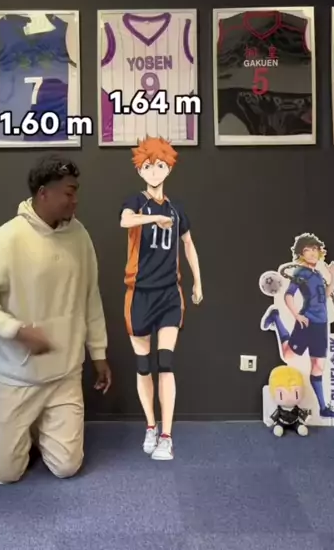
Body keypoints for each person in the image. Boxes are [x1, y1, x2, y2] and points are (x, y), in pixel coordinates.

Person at [0, 156, 111, 484]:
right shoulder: (7, 238)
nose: (75, 200)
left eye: (76, 191)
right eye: (69, 192)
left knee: (67, 467)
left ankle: (38, 425)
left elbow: (90, 297)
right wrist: (17, 330)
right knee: (5, 474)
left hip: (65, 374)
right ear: (43, 193)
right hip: (17, 376)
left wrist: (98, 353)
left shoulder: (79, 236)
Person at [120, 136, 203, 460]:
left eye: (160, 165)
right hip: (139, 294)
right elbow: (125, 220)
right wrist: (154, 218)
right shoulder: (135, 201)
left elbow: (189, 244)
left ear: (169, 168)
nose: (154, 171)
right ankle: (151, 426)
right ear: (140, 170)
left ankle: (167, 435)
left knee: (165, 362)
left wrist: (197, 282)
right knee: (144, 366)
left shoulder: (177, 208)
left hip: (169, 293)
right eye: (148, 166)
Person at [262, 233, 334, 419]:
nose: (312, 253)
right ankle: (276, 318)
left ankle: (323, 408)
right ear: (301, 253)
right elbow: (289, 295)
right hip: (308, 321)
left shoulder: (318, 274)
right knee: (288, 355)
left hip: (321, 325)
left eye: (315, 249)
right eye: (308, 250)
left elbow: (326, 294)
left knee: (318, 367)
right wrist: (296, 315)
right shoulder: (301, 273)